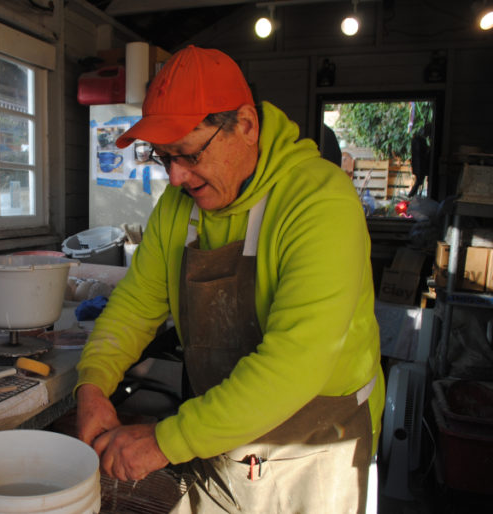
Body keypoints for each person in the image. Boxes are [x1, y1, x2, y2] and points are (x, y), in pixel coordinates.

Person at [74, 45, 385, 513]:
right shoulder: (178, 209)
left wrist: (164, 441)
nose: (176, 177)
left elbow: (294, 363)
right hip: (219, 434)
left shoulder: (320, 202)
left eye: (188, 154)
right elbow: (135, 306)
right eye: (163, 158)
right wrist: (93, 385)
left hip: (315, 448)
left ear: (245, 125)